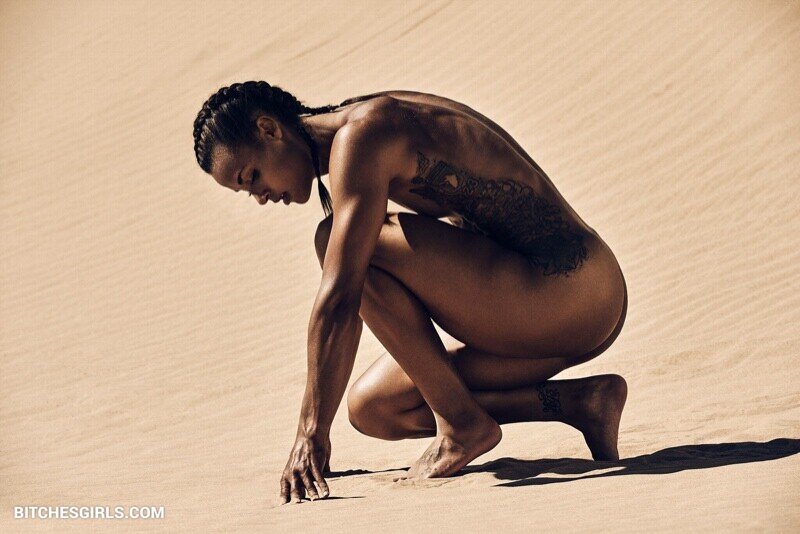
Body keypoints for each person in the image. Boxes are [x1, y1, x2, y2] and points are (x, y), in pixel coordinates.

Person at [192, 81, 629, 505]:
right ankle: (581, 402)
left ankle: (461, 424)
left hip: (568, 291)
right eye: (245, 190)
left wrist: (310, 431)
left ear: (269, 129)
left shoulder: (362, 136)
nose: (259, 196)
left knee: (338, 244)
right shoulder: (365, 122)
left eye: (251, 176)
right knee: (374, 408)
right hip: (572, 304)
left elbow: (341, 297)